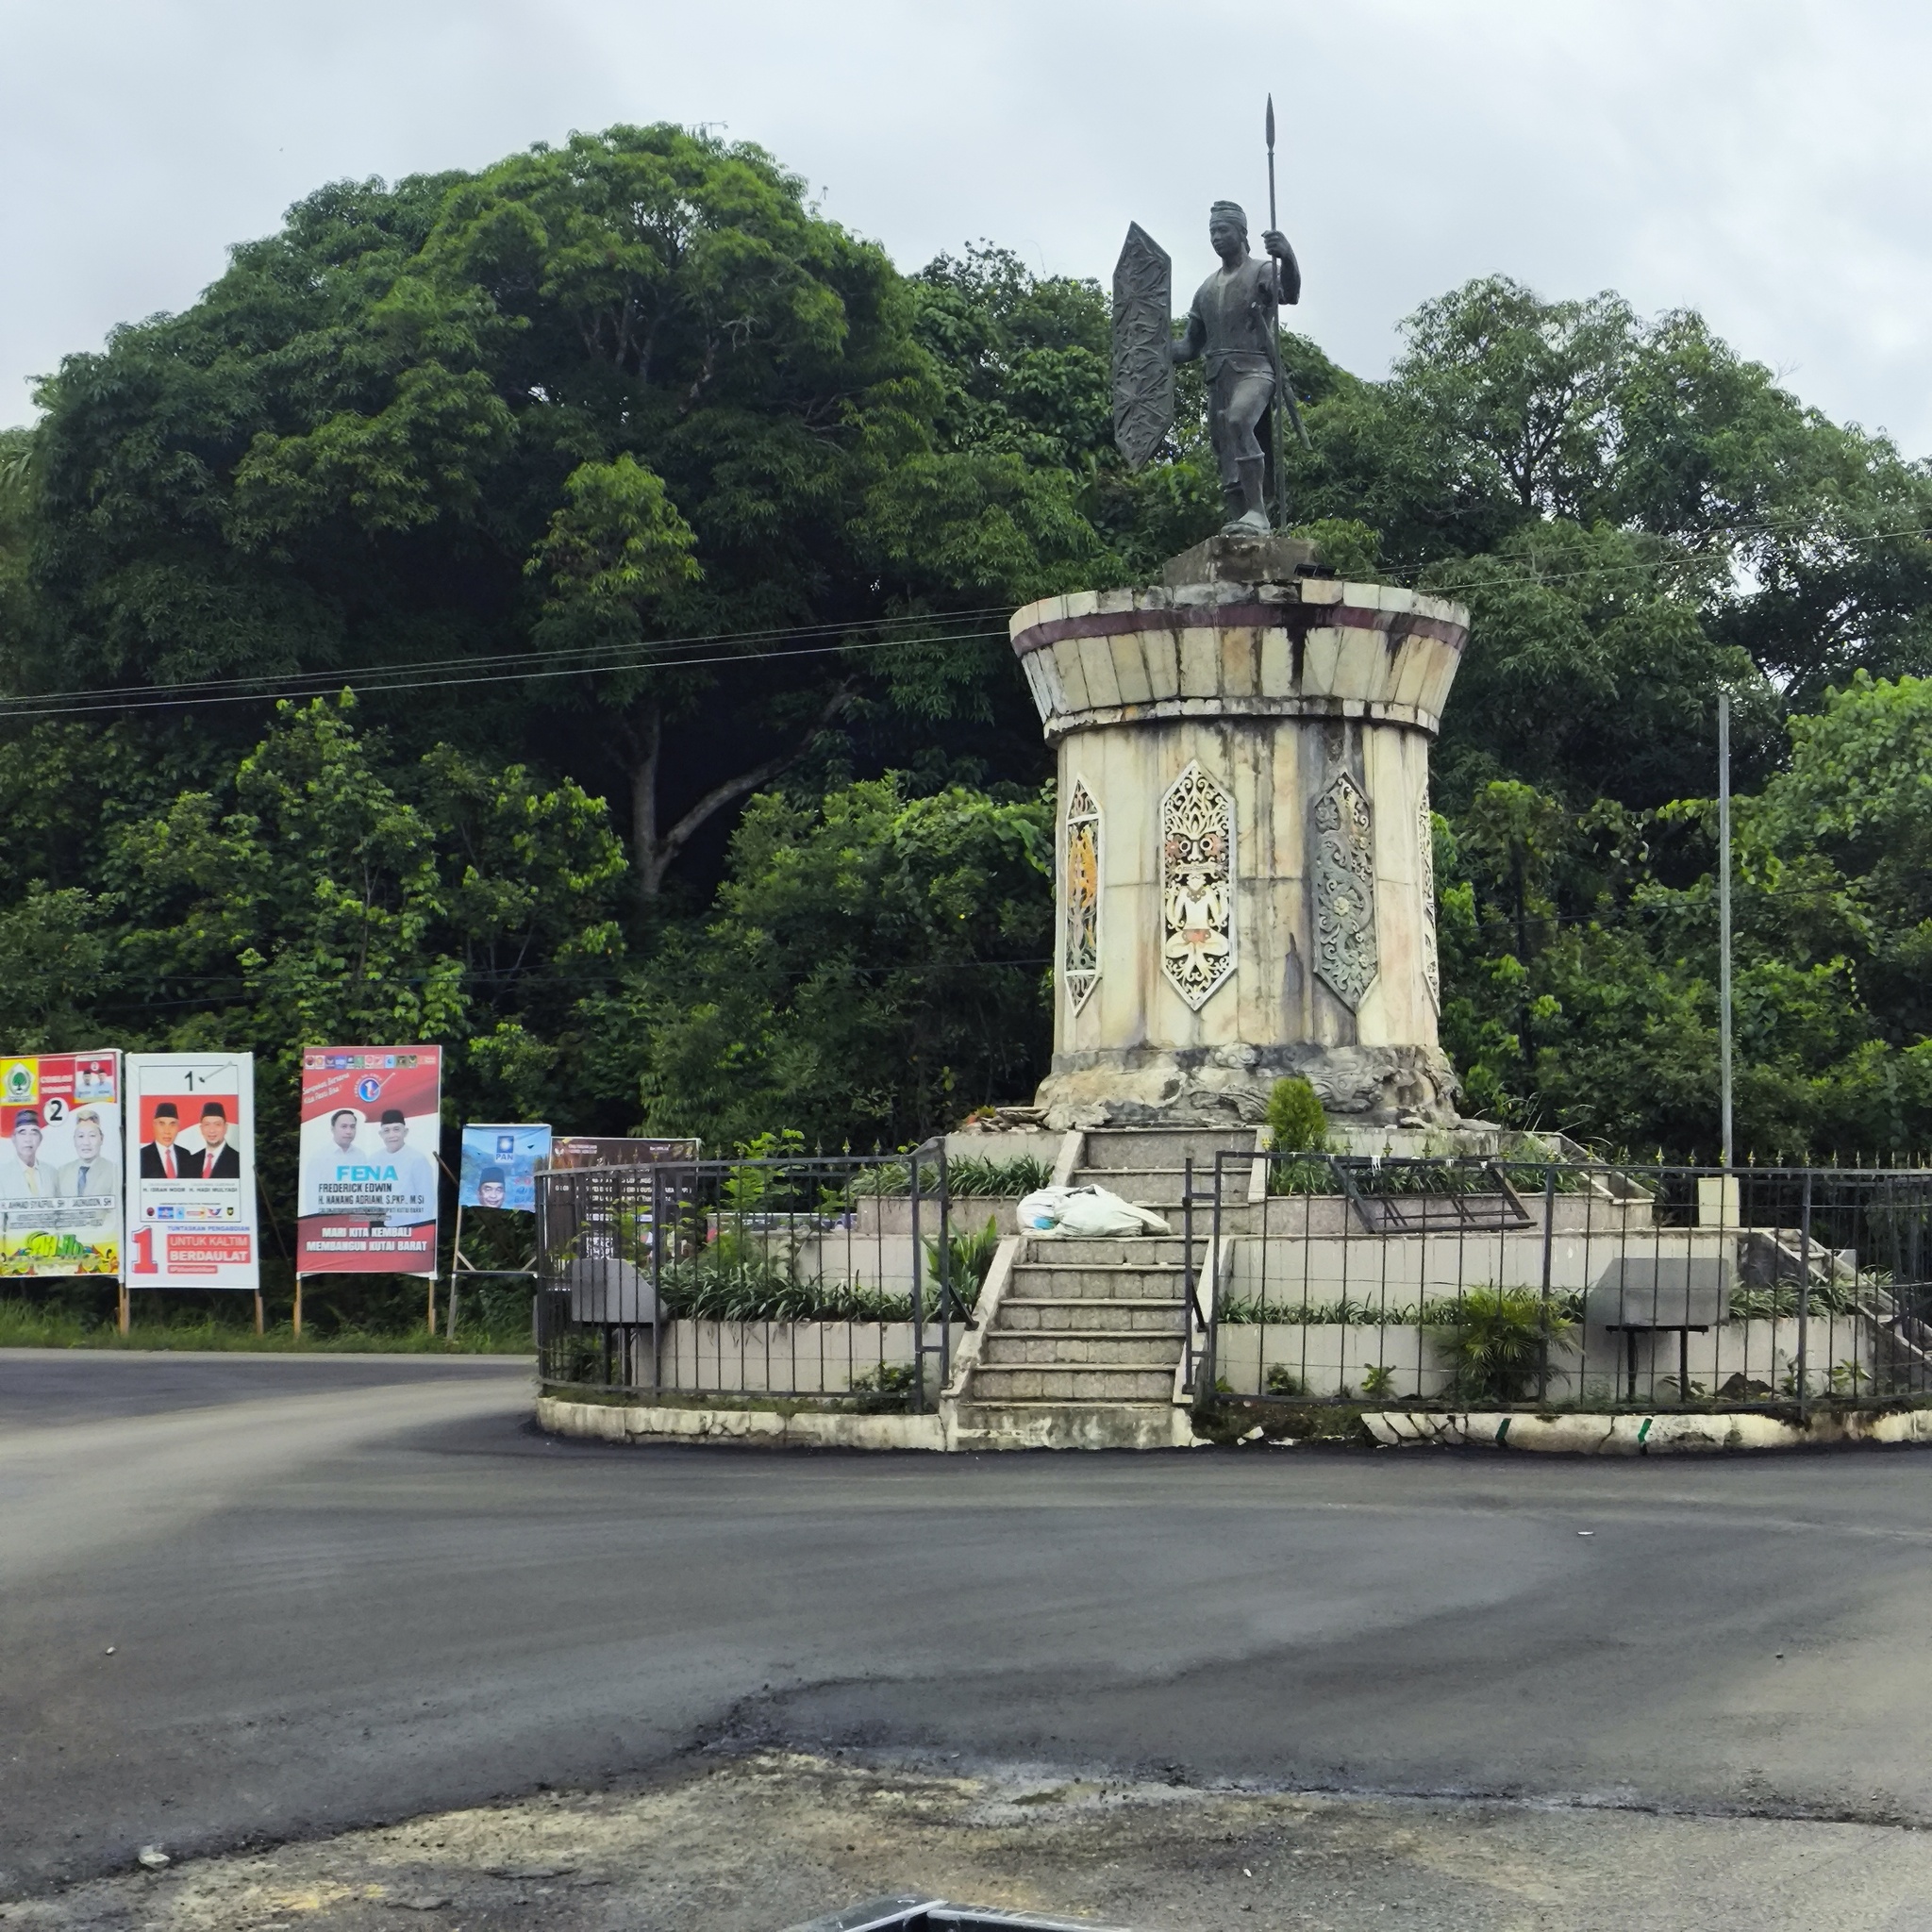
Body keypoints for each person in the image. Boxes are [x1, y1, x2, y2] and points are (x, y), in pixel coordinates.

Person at [1170, 200, 1301, 535]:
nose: (1216, 237)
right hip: (1218, 377)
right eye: (1212, 231)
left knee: (1240, 419)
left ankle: (1258, 512)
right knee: (1225, 452)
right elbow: (1189, 346)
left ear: (1242, 233)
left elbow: (1288, 294)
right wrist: (1152, 346)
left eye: (1222, 229)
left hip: (1255, 368)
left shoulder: (1261, 270)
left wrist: (1287, 256)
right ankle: (1239, 520)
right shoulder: (1204, 290)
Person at [372, 1108, 438, 1225]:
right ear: (381, 1134)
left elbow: (426, 1199)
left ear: (405, 1132)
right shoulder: (374, 1159)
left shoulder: (417, 1159)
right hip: (381, 1227)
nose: (392, 1135)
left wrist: (423, 1228)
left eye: (396, 1129)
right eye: (387, 1131)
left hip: (410, 1226)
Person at [300, 1108, 363, 1215]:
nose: (349, 1131)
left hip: (355, 1219)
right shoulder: (319, 1158)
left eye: (352, 1127)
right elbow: (311, 1197)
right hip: (328, 1221)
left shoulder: (360, 1155)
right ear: (332, 1129)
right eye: (344, 1126)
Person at [54, 1108, 121, 1201]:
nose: (86, 1142)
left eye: (92, 1135)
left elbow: (115, 1211)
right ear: (74, 1140)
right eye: (81, 1136)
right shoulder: (62, 1172)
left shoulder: (113, 1170)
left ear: (101, 1139)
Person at [183, 1100, 242, 1179]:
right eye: (207, 1125)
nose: (212, 1130)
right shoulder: (191, 1161)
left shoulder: (238, 1160)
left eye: (217, 1124)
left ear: (225, 1128)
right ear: (201, 1129)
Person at [0, 1108, 48, 1200]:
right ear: (13, 1138)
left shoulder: (51, 1172)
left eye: (34, 1133)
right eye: (22, 1133)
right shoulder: (2, 1175)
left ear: (40, 1138)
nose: (28, 1139)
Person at [141, 1102, 188, 1179]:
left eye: (172, 1124)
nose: (167, 1131)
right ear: (154, 1125)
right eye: (162, 1124)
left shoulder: (186, 1155)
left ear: (178, 1126)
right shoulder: (142, 1155)